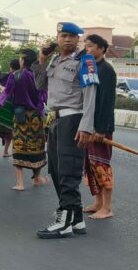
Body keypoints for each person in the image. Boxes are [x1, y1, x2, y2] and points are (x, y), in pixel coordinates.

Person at [32, 22, 99, 239]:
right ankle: (76, 219)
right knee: (57, 170)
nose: (67, 40)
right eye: (63, 36)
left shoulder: (85, 60)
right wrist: (41, 60)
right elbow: (39, 85)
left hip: (73, 119)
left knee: (69, 172)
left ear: (79, 39)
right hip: (55, 120)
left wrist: (87, 126)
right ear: (57, 38)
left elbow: (91, 93)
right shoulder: (53, 60)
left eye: (72, 36)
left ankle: (65, 222)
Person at [0, 49, 47, 188]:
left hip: (20, 116)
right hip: (36, 117)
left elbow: (7, 92)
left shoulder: (15, 75)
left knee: (19, 146)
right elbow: (45, 96)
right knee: (37, 147)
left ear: (23, 60)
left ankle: (20, 183)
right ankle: (37, 178)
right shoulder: (39, 75)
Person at [80, 35, 117, 220]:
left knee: (101, 165)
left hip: (101, 127)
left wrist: (101, 129)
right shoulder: (92, 68)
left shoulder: (106, 70)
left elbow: (106, 102)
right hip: (89, 125)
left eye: (91, 47)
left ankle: (107, 207)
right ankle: (98, 203)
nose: (87, 50)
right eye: (85, 46)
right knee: (91, 165)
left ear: (102, 48)